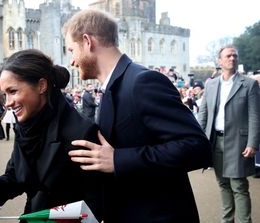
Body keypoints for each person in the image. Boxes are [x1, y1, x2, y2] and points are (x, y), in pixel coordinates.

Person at [63, 9, 212, 223]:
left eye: (71, 50)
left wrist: (118, 159)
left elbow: (196, 147)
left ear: (88, 41)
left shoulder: (143, 82)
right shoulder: (109, 89)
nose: (72, 61)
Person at [0, 49, 104, 221]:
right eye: (5, 95)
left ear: (41, 85)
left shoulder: (81, 132)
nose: (8, 103)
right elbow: (16, 176)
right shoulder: (25, 125)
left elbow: (95, 203)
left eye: (13, 91)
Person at [197, 45, 260, 223]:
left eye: (235, 56)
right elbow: (203, 114)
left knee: (239, 186)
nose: (232, 58)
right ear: (220, 61)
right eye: (228, 56)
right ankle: (227, 221)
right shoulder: (211, 85)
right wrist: (199, 140)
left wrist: (253, 143)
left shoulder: (249, 84)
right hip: (215, 141)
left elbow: (255, 116)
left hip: (239, 143)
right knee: (223, 184)